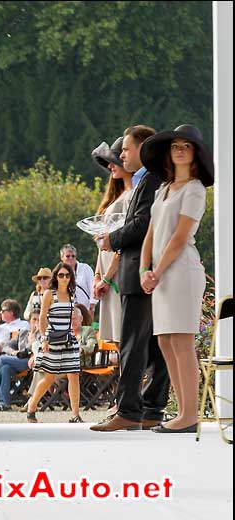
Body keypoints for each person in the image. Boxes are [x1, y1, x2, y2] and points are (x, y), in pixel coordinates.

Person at [92, 125, 169, 432]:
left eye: (125, 148)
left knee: (134, 344)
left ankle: (128, 410)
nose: (121, 154)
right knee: (151, 344)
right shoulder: (148, 180)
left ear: (142, 148)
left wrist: (113, 239)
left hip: (137, 270)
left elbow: (141, 224)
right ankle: (151, 408)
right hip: (138, 270)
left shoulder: (150, 179)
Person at [139, 124, 214, 433]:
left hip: (181, 272)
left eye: (186, 145)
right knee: (166, 341)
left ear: (195, 153)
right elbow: (152, 233)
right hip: (160, 275)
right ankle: (182, 412)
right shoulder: (163, 189)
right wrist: (145, 269)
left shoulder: (195, 189)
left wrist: (157, 271)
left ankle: (189, 415)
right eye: (175, 146)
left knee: (182, 342)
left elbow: (181, 237)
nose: (180, 149)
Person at [26, 262, 83, 424]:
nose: (64, 278)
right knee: (49, 378)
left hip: (69, 338)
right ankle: (32, 406)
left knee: (74, 375)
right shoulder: (49, 294)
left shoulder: (72, 294)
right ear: (56, 277)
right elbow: (42, 318)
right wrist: (44, 338)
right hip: (52, 340)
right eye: (61, 275)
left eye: (67, 275)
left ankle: (75, 414)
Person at [90, 137, 134, 347]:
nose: (110, 166)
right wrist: (98, 274)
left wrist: (106, 278)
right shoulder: (118, 196)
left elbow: (125, 240)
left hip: (117, 275)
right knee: (116, 341)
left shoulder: (133, 196)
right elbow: (103, 244)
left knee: (125, 338)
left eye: (115, 161)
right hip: (106, 274)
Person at [0, 308, 41, 412]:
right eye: (34, 319)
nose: (36, 322)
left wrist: (32, 340)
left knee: (1, 359)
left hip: (32, 362)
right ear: (29, 321)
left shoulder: (43, 335)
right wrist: (13, 352)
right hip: (18, 360)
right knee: (5, 369)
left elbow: (36, 349)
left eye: (39, 320)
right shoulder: (23, 333)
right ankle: (4, 403)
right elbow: (5, 346)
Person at [59, 244, 97, 315]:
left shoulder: (85, 268)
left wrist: (92, 306)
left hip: (85, 309)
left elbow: (93, 287)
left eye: (73, 256)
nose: (71, 258)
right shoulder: (59, 272)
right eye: (68, 256)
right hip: (67, 310)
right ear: (61, 257)